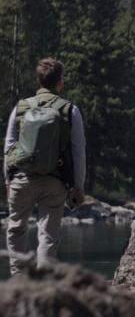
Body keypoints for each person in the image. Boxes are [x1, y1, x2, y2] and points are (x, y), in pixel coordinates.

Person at [3, 58, 86, 275]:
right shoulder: (70, 110)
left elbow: (9, 146)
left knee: (16, 230)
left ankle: (21, 282)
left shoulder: (20, 107)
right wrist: (78, 185)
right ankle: (46, 285)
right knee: (48, 235)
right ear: (60, 82)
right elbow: (78, 151)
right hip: (54, 181)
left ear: (38, 80)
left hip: (21, 178)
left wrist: (7, 180)